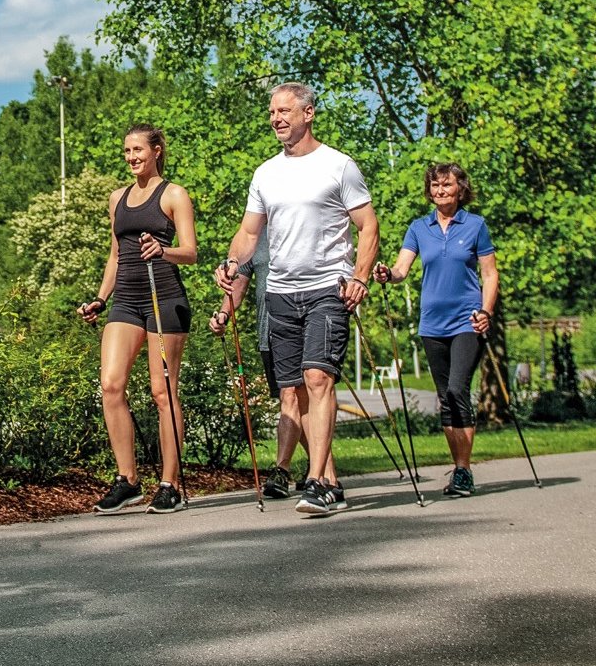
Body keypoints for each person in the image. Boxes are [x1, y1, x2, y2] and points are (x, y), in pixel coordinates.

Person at [215, 82, 379, 516]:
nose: (276, 118)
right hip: (281, 295)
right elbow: (250, 233)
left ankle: (319, 481)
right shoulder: (265, 173)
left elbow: (368, 226)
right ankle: (329, 482)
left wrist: (359, 276)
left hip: (328, 287)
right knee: (293, 391)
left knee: (318, 379)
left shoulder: (338, 166)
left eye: (285, 110)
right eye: (272, 112)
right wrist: (231, 263)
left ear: (309, 113)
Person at [78, 124, 200, 514]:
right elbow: (115, 256)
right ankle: (127, 480)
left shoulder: (174, 194)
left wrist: (163, 250)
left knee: (162, 392)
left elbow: (191, 252)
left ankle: (170, 484)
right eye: (127, 151)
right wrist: (100, 298)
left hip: (164, 299)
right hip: (126, 300)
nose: (131, 157)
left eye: (138, 151)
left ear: (157, 151)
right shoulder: (117, 198)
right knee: (111, 385)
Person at [373, 162, 498, 497]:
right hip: (432, 324)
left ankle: (463, 469)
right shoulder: (419, 227)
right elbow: (402, 268)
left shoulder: (475, 226)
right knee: (445, 398)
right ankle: (459, 469)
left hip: (467, 321)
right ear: (429, 191)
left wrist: (486, 311)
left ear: (460, 189)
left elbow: (490, 274)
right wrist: (387, 274)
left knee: (458, 389)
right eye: (435, 186)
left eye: (447, 185)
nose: (441, 191)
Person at [206, 235, 325, 500]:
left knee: (291, 396)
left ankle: (282, 469)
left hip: (304, 330)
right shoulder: (254, 239)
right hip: (268, 335)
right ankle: (321, 469)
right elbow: (239, 286)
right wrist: (224, 314)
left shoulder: (302, 225)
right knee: (295, 402)